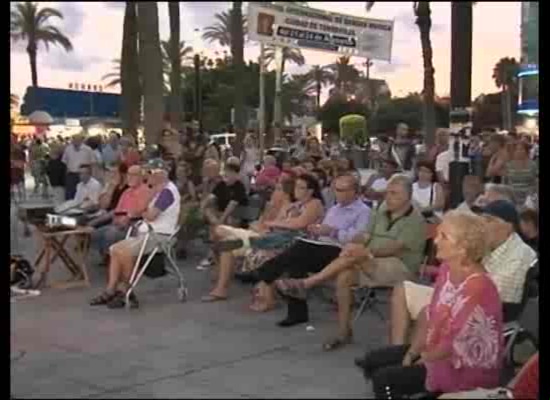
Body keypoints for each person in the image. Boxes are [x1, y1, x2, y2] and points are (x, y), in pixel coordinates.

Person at [357, 211, 502, 398]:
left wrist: (423, 359)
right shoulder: (448, 269)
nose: (435, 241)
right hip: (438, 351)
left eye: (444, 237)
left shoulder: (478, 286)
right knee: (373, 360)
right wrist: (413, 351)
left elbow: (453, 341)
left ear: (463, 247)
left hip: (463, 366)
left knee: (385, 379)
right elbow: (430, 314)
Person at [277, 174, 426, 350]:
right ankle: (343, 332)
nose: (389, 197)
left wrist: (366, 251)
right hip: (372, 261)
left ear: (408, 196)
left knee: (351, 255)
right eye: (388, 192)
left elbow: (396, 248)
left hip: (400, 266)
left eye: (395, 194)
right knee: (344, 276)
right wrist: (355, 242)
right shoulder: (382, 210)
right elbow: (366, 235)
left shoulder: (415, 219)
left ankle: (308, 283)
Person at [388, 200, 537, 347]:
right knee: (402, 289)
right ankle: (399, 350)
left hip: (482, 309)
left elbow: (492, 293)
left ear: (508, 227)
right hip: (460, 294)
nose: (483, 226)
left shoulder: (520, 254)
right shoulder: (491, 244)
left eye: (488, 220)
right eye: (481, 220)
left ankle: (412, 360)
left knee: (425, 312)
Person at [248, 175, 371, 325]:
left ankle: (263, 273)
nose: (337, 193)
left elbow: (359, 238)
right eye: (336, 190)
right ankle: (297, 313)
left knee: (299, 249)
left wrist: (333, 232)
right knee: (297, 262)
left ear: (354, 191)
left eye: (341, 190)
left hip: (342, 252)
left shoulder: (363, 211)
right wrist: (316, 230)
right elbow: (323, 231)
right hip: (321, 247)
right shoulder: (334, 208)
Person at [89, 160, 180, 308]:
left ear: (160, 174)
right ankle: (111, 290)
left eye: (149, 172)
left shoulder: (167, 192)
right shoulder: (158, 190)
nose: (147, 175)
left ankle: (127, 291)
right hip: (147, 233)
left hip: (159, 236)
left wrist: (140, 211)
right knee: (115, 249)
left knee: (123, 251)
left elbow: (151, 215)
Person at [201, 177, 297, 302]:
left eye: (278, 189)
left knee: (220, 232)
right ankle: (221, 288)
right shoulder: (271, 206)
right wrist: (266, 218)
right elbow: (261, 224)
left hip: (268, 240)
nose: (274, 192)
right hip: (256, 235)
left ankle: (221, 285)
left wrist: (264, 227)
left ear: (286, 193)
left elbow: (283, 232)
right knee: (226, 243)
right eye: (276, 189)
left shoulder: (292, 209)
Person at [239, 174, 325, 311]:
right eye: (296, 186)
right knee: (260, 252)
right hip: (284, 239)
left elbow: (299, 224)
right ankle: (264, 294)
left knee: (266, 255)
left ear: (310, 191)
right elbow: (280, 221)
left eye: (300, 187)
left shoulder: (315, 203)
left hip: (302, 243)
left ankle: (267, 298)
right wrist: (275, 221)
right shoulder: (295, 204)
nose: (296, 190)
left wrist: (276, 223)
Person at [90, 165, 153, 264]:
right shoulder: (126, 192)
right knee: (96, 233)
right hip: (119, 222)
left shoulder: (145, 191)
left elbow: (141, 210)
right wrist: (114, 219)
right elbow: (117, 210)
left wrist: (127, 218)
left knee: (110, 234)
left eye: (134, 175)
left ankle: (113, 261)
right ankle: (108, 257)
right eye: (129, 174)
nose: (130, 177)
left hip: (134, 224)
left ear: (141, 177)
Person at [62, 134, 96, 200]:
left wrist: (92, 175)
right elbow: (64, 161)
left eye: (78, 140)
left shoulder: (87, 149)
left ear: (81, 140)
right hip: (71, 174)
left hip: (84, 174)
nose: (76, 141)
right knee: (70, 193)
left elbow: (92, 162)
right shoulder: (68, 149)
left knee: (83, 193)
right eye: (74, 140)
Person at [503, 142, 538, 206]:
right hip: (513, 198)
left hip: (529, 198)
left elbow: (535, 182)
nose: (519, 151)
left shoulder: (533, 165)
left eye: (521, 149)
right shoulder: (508, 165)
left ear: (526, 151)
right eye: (516, 149)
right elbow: (505, 183)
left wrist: (532, 196)